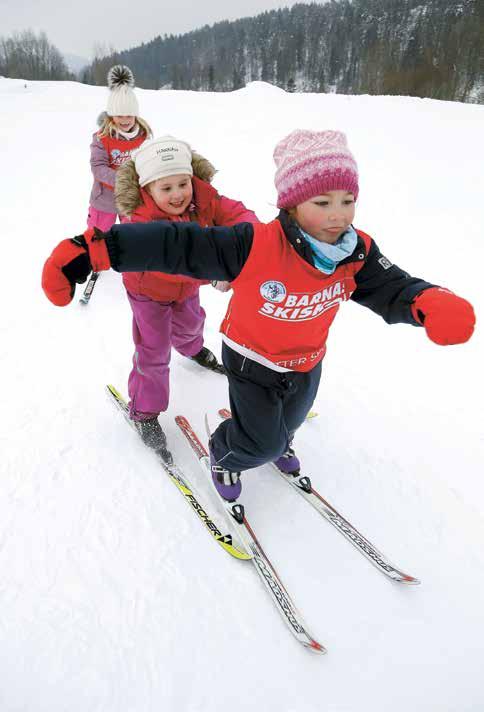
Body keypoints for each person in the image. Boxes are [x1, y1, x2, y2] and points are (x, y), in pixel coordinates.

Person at [42, 129, 476, 500]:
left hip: (307, 360)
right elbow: (178, 244)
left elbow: (392, 287)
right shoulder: (256, 246)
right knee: (259, 439)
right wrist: (98, 248)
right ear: (290, 205)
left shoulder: (355, 250)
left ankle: (269, 436)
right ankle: (227, 453)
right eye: (322, 202)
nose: (338, 215)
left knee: (289, 423)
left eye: (347, 201)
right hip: (251, 357)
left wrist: (427, 301)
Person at [87, 65, 152, 232]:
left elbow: (149, 161)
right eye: (119, 116)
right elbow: (98, 167)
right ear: (110, 116)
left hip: (132, 199)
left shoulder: (143, 136)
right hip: (105, 201)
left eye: (129, 115)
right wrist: (123, 179)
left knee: (133, 236)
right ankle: (97, 258)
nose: (124, 120)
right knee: (97, 236)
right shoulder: (102, 137)